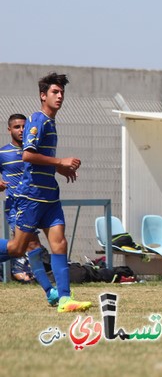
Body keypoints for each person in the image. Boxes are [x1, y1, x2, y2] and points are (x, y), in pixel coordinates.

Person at [0, 73, 92, 312]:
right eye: (55, 92)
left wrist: (58, 168)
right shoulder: (38, 120)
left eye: (62, 92)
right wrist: (60, 161)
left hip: (49, 195)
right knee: (17, 248)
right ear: (43, 95)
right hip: (31, 197)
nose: (60, 96)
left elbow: (38, 160)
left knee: (59, 243)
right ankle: (56, 294)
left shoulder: (50, 122)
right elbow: (27, 155)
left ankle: (64, 299)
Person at [0, 113, 58, 304]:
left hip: (35, 202)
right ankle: (50, 292)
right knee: (30, 246)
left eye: (24, 126)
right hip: (16, 206)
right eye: (17, 127)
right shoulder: (3, 154)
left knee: (26, 248)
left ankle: (50, 291)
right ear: (9, 130)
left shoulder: (35, 151)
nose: (21, 130)